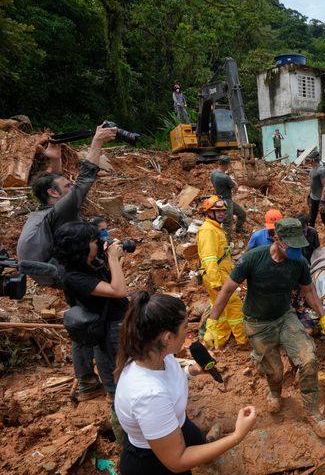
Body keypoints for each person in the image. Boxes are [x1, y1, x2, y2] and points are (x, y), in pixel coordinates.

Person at [204, 218, 325, 439]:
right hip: (257, 322)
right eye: (291, 245)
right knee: (274, 370)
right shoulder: (253, 258)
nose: (296, 250)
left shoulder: (299, 263)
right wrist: (212, 322)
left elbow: (309, 291)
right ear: (276, 239)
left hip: (285, 317)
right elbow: (227, 290)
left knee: (308, 358)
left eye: (298, 245)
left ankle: (312, 411)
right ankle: (275, 392)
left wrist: (324, 318)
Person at [115, 292, 257, 474]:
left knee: (199, 444)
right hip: (154, 464)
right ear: (167, 338)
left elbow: (168, 378)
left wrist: (192, 371)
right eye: (185, 327)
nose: (188, 333)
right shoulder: (149, 396)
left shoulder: (155, 355)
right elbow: (178, 461)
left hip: (179, 425)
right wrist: (238, 435)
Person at [18, 124, 117, 285]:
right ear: (53, 193)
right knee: (91, 232)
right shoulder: (61, 212)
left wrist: (55, 158)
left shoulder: (45, 209)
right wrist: (97, 141)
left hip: (44, 268)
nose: (71, 187)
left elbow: (57, 183)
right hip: (57, 274)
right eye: (68, 186)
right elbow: (84, 179)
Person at [52, 221, 129, 401]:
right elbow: (118, 291)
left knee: (126, 375)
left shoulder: (89, 264)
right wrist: (112, 259)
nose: (98, 244)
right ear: (81, 246)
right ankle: (123, 422)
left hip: (117, 325)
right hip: (109, 332)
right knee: (118, 387)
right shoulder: (73, 276)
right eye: (94, 241)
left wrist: (107, 257)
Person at [197, 196, 246, 349]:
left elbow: (221, 256)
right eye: (216, 211)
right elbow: (209, 259)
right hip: (217, 277)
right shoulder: (208, 230)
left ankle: (219, 340)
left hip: (221, 275)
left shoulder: (215, 228)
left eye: (223, 211)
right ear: (208, 212)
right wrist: (216, 283)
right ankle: (243, 340)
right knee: (234, 306)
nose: (221, 214)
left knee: (223, 310)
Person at [210, 155, 246, 239]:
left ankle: (238, 229)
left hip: (220, 198)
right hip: (226, 201)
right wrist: (234, 191)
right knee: (227, 222)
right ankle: (227, 244)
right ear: (226, 165)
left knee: (242, 214)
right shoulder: (225, 177)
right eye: (228, 165)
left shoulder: (213, 173)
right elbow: (235, 187)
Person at [307, 153, 325, 242]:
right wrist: (309, 195)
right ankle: (309, 236)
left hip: (321, 199)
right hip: (313, 199)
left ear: (313, 160)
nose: (308, 162)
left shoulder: (321, 170)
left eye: (309, 160)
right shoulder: (312, 170)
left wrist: (322, 201)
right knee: (311, 218)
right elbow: (311, 184)